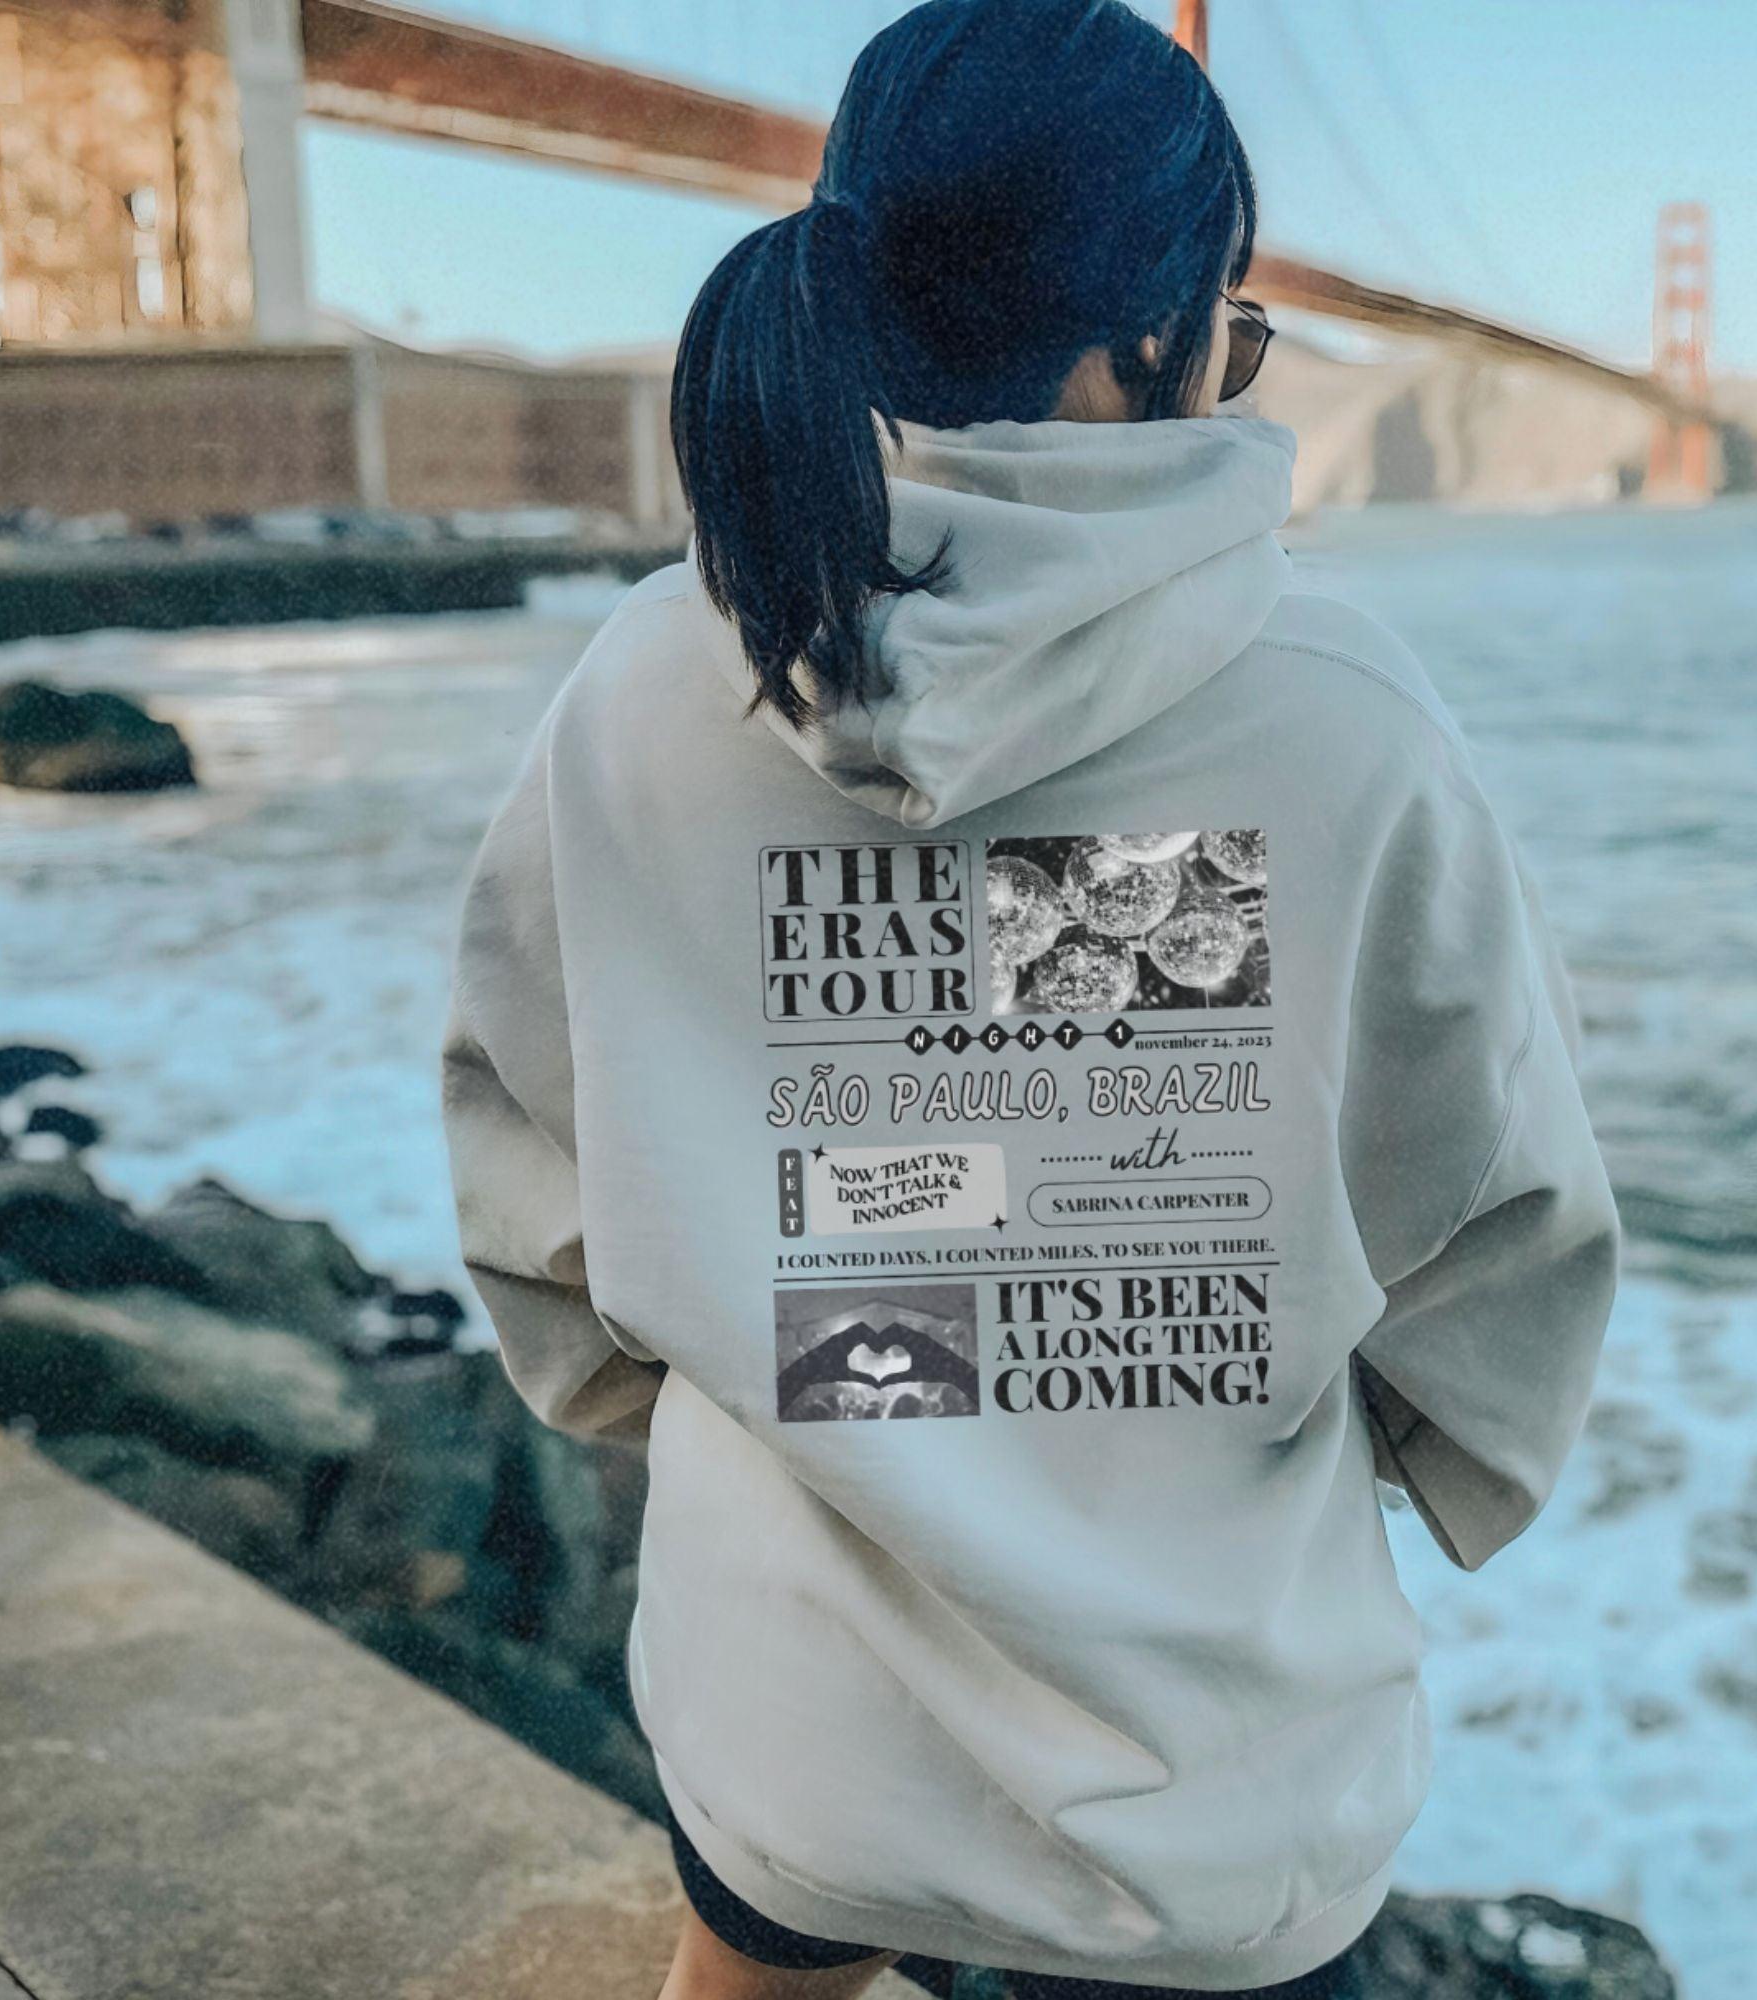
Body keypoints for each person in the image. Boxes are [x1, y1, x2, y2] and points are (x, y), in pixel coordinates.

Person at [440, 2, 1621, 1997]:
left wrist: (784, 1388)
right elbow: (1499, 1243)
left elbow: (524, 1163)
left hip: (786, 1738)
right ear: (1149, 337)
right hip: (1205, 1791)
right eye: (1232, 331)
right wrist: (1211, 1420)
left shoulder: (643, 690)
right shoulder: (1339, 721)